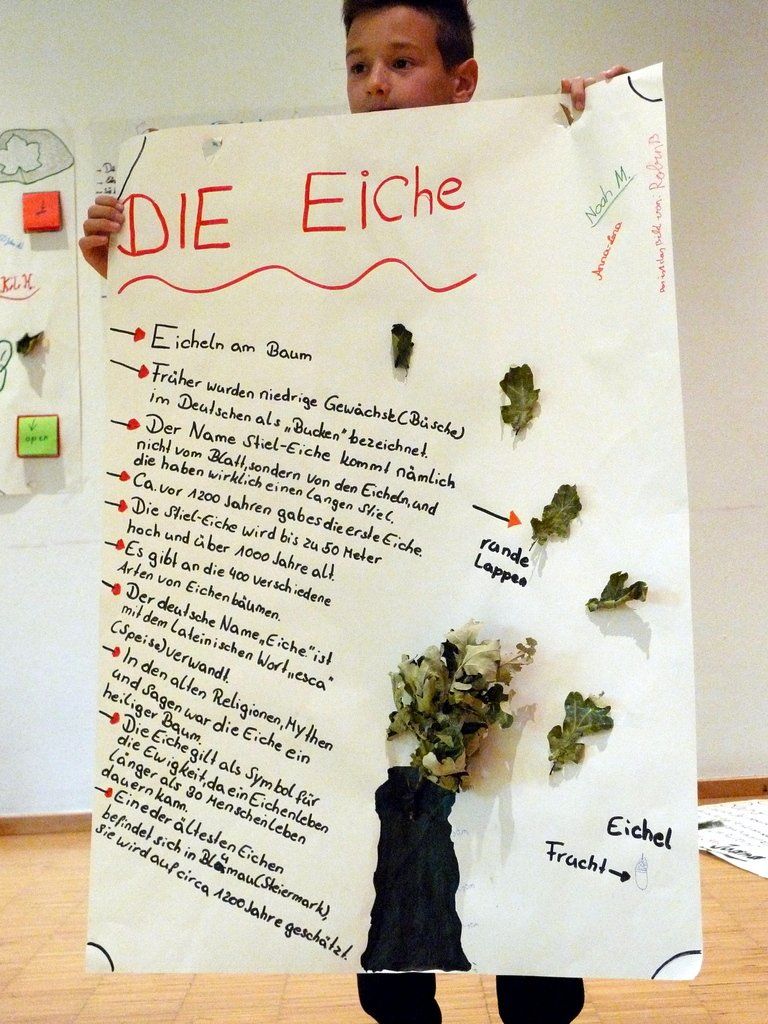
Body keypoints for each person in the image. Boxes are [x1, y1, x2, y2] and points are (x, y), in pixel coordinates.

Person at [79, 4, 627, 1021]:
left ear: (462, 78)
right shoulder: (308, 208)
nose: (375, 84)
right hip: (374, 577)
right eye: (358, 64)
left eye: (402, 61)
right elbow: (247, 337)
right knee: (397, 841)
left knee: (524, 859)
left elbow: (608, 289)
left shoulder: (525, 185)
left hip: (509, 572)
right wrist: (139, 273)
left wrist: (611, 139)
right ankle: (406, 989)